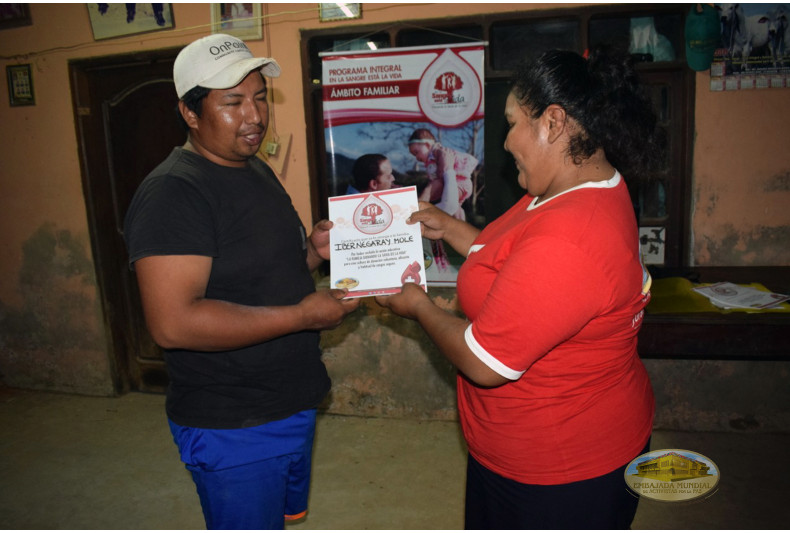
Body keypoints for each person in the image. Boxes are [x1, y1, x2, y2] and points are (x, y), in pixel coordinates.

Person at [376, 47, 660, 529]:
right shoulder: (566, 188)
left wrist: (420, 307)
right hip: (525, 452)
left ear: (553, 122)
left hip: (561, 472)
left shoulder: (573, 237)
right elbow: (509, 254)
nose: (506, 142)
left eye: (512, 123)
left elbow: (485, 364)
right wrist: (451, 228)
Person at [123, 33, 360, 530]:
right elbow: (174, 323)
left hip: (289, 402)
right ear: (190, 113)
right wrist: (302, 316)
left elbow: (259, 274)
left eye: (259, 97)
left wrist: (312, 254)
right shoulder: (174, 193)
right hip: (233, 424)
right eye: (233, 102)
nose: (254, 116)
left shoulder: (253, 169)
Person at [407, 128, 478, 221]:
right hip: (458, 183)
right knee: (456, 209)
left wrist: (441, 173)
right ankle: (461, 222)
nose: (416, 157)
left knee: (450, 204)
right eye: (414, 155)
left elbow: (444, 163)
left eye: (416, 152)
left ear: (427, 145)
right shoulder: (430, 161)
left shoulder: (437, 151)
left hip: (459, 181)